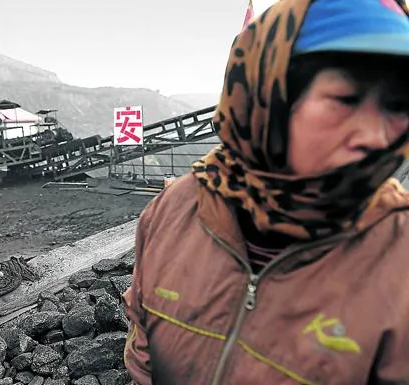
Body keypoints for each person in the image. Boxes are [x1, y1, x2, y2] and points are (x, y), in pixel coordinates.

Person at [123, 0, 409, 384]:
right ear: (268, 97)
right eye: (346, 99)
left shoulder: (398, 258)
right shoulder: (175, 210)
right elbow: (143, 339)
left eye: (397, 106)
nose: (376, 137)